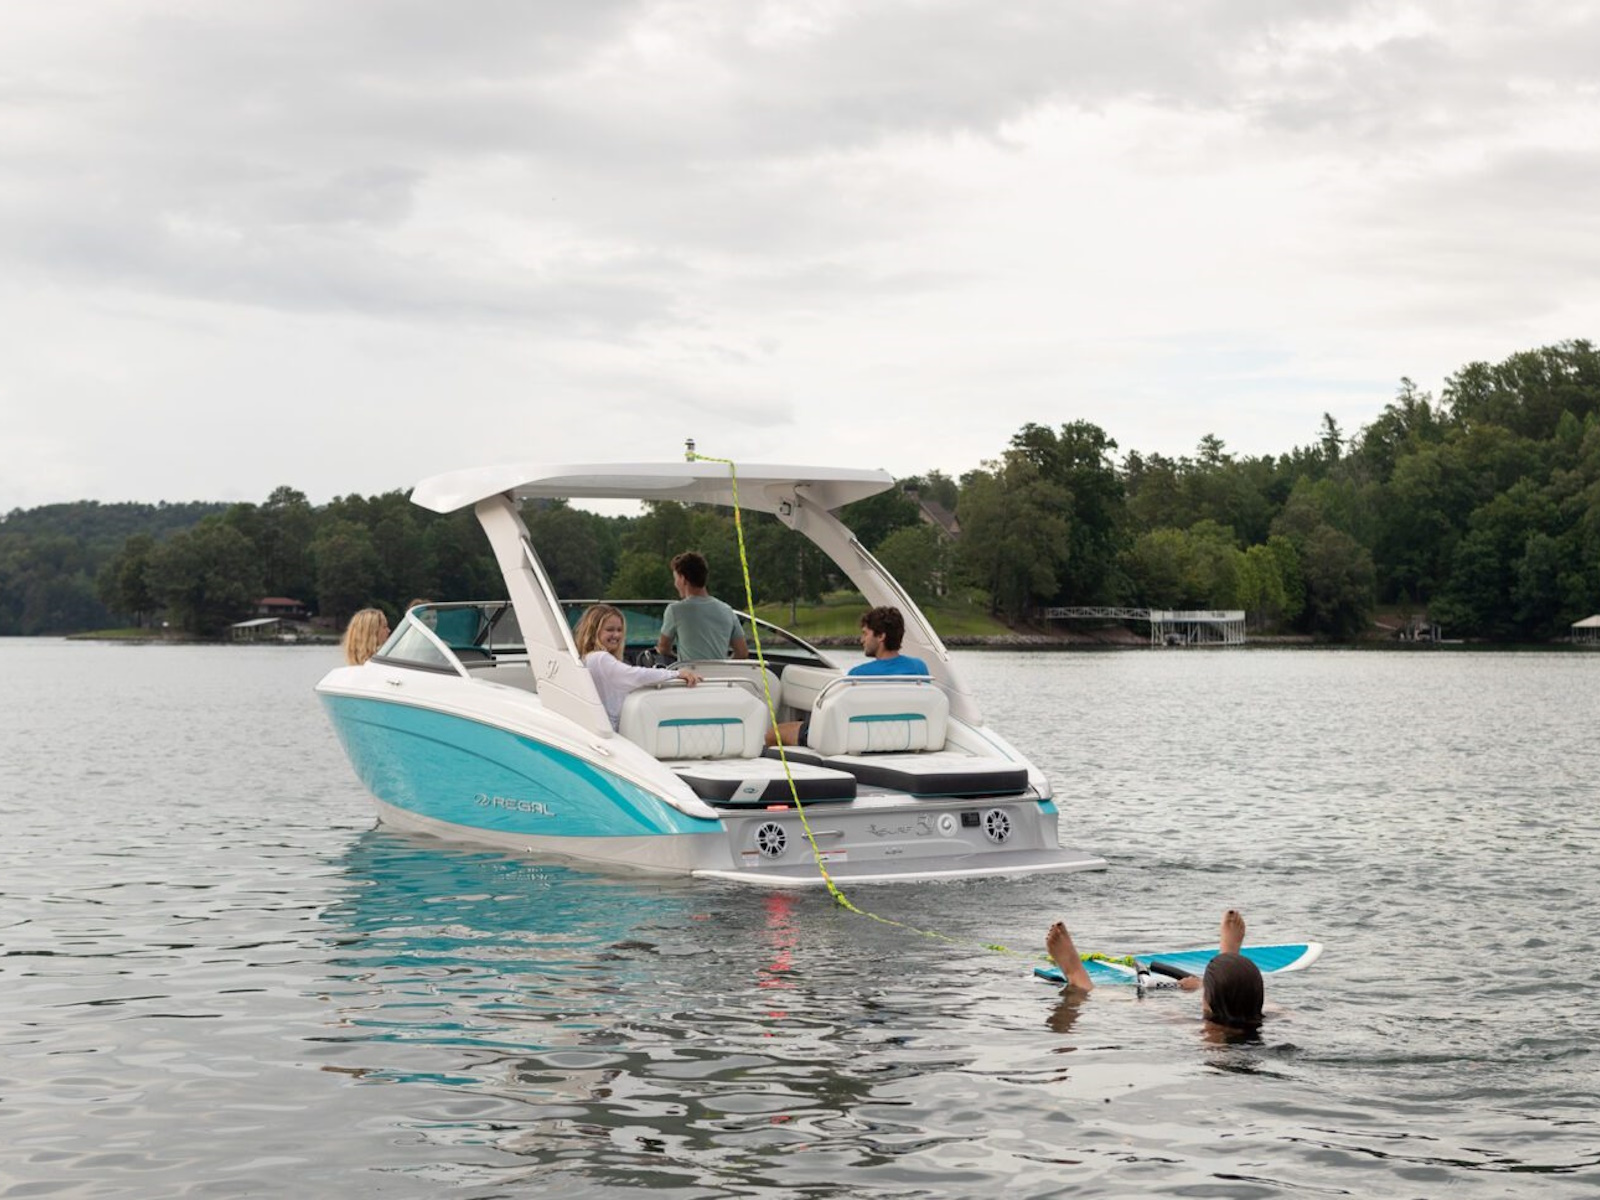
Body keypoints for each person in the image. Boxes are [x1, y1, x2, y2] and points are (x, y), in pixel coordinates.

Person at [1044, 908, 1266, 1030]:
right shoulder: (1263, 1012)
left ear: (1206, 1002)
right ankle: (1228, 960)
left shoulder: (1212, 1038)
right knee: (1262, 1008)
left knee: (1148, 1007)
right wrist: (1202, 986)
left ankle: (1077, 977)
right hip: (1252, 1023)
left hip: (1215, 1040)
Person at [767, 606, 931, 746]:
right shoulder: (919, 669)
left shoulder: (858, 676)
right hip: (904, 737)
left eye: (865, 634)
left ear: (881, 636)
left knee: (773, 734)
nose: (861, 640)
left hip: (861, 738)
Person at [577, 603, 703, 729]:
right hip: (612, 730)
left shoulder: (588, 658)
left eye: (619, 630)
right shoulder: (600, 658)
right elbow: (634, 675)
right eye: (610, 630)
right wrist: (676, 674)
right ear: (593, 631)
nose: (616, 635)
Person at [656, 551, 749, 663]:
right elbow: (742, 653)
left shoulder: (675, 610)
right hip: (720, 674)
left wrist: (675, 657)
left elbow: (663, 648)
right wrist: (723, 667)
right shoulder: (727, 610)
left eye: (675, 578)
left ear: (683, 579)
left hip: (689, 674)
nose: (675, 583)